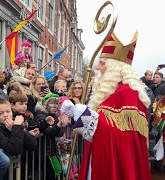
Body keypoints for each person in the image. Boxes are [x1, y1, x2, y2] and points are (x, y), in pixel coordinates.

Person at [62, 31, 151, 180]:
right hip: (101, 153)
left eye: (102, 63)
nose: (97, 67)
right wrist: (76, 114)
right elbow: (99, 129)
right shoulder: (109, 91)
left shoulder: (127, 92)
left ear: (114, 68)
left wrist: (84, 115)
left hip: (118, 160)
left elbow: (121, 136)